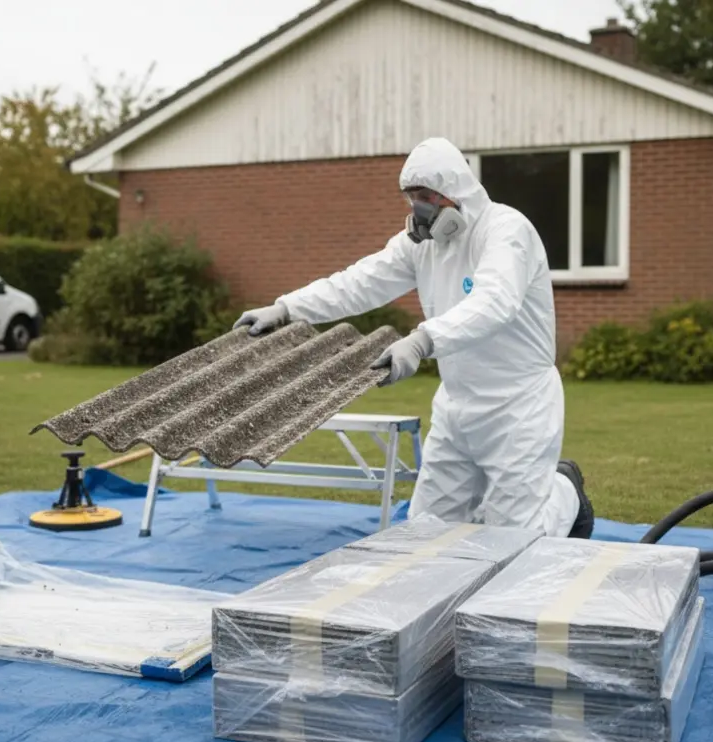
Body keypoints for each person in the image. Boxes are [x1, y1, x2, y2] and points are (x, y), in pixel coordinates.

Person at [234, 137, 594, 539]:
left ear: (456, 193)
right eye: (411, 197)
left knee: (514, 539)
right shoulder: (422, 245)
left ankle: (567, 493)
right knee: (426, 531)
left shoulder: (506, 231)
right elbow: (359, 282)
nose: (417, 208)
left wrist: (422, 341)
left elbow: (495, 302)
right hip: (457, 404)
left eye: (426, 196)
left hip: (518, 406)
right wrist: (287, 309)